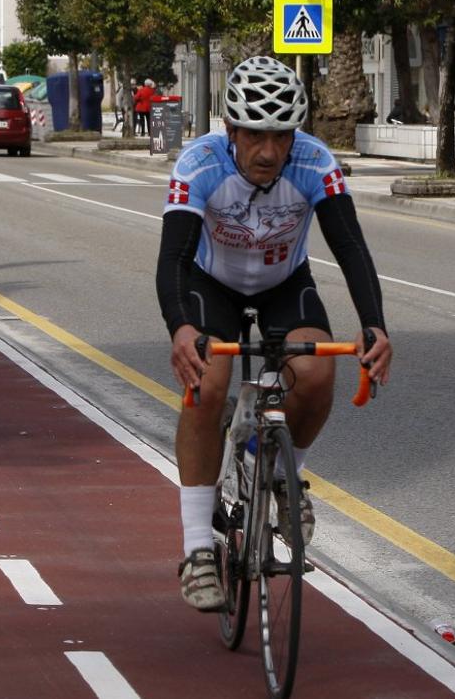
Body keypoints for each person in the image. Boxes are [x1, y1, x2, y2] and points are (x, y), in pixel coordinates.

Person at [156, 56, 392, 611]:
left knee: (316, 374)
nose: (268, 152)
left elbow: (351, 248)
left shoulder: (314, 163)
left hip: (284, 282)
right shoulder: (199, 163)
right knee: (207, 387)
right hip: (210, 282)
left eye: (281, 137)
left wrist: (374, 325)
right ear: (231, 130)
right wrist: (181, 328)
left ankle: (288, 478)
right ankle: (196, 549)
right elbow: (171, 259)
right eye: (255, 136)